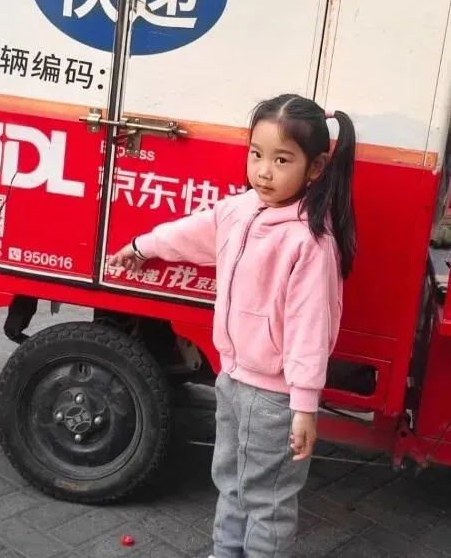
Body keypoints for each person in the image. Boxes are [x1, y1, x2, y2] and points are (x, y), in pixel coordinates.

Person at [109, 93, 357, 558]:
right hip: (233, 380)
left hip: (276, 398)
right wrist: (143, 246)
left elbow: (309, 330)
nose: (264, 171)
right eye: (256, 154)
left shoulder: (309, 242)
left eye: (282, 160)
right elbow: (192, 232)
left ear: (316, 168)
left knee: (267, 499)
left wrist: (304, 406)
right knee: (230, 480)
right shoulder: (240, 210)